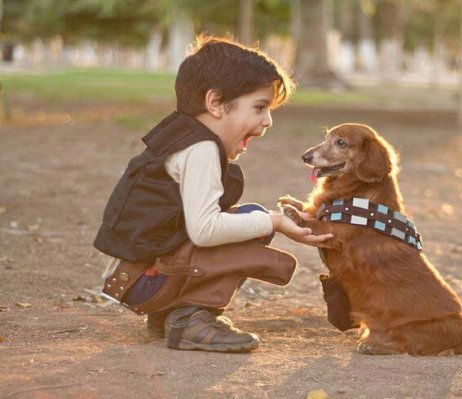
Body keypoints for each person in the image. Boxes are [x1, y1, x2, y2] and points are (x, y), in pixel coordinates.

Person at [94, 35, 333, 353]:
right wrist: (273, 222)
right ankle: (190, 319)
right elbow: (204, 231)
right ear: (216, 103)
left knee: (248, 218)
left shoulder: (181, 135)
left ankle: (169, 315)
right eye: (260, 107)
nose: (268, 121)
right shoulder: (201, 149)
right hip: (143, 283)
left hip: (137, 277)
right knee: (252, 221)